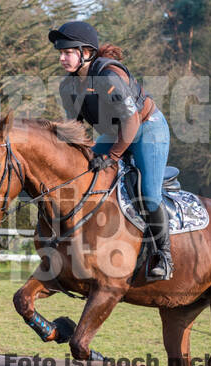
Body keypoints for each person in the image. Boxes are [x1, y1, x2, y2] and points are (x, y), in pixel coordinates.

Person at [49, 21, 173, 280]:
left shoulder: (108, 76)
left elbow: (132, 121)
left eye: (67, 52)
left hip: (147, 128)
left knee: (149, 196)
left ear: (86, 52)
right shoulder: (68, 87)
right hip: (116, 132)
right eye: (60, 53)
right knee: (83, 172)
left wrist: (112, 156)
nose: (62, 58)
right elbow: (76, 130)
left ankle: (163, 255)